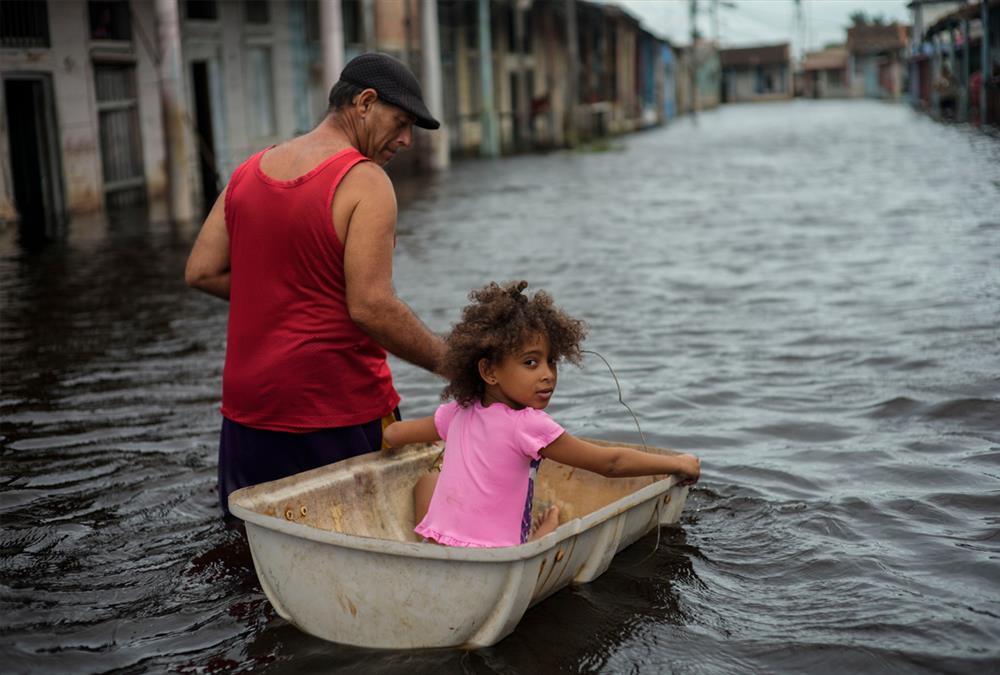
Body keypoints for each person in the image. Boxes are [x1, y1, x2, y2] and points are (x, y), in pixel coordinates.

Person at [184, 53, 447, 515]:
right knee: (362, 542)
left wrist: (283, 290)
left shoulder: (248, 171)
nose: (406, 139)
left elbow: (201, 270)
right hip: (335, 408)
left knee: (255, 549)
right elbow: (371, 306)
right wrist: (455, 364)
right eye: (401, 121)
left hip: (249, 411)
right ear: (365, 103)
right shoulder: (366, 181)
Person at [382, 281, 701, 548]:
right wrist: (677, 463)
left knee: (428, 479)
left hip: (438, 549)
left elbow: (394, 435)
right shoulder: (529, 426)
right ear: (489, 371)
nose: (548, 375)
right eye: (531, 363)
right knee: (527, 523)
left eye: (552, 362)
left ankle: (425, 543)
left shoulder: (459, 411)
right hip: (496, 557)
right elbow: (610, 463)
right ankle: (545, 530)